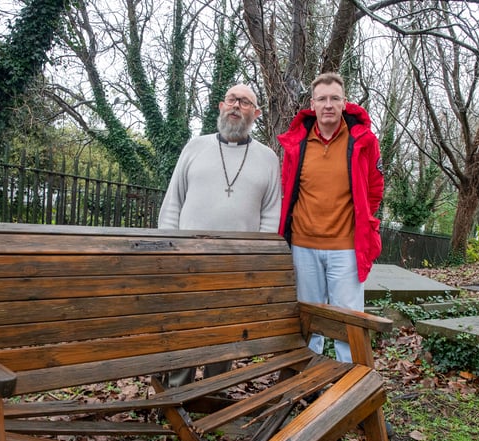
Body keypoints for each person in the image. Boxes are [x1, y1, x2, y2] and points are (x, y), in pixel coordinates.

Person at [158, 83, 281, 387]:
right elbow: (173, 201)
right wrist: (167, 251)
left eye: (245, 102)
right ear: (221, 106)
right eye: (232, 100)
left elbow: (270, 215)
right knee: (183, 329)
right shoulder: (195, 147)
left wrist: (257, 261)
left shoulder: (268, 159)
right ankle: (177, 392)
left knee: (225, 332)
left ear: (257, 113)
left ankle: (215, 392)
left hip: (236, 267)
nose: (237, 106)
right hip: (188, 260)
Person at [278, 72, 384, 363]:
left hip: (346, 249)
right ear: (312, 105)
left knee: (347, 324)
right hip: (303, 246)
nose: (328, 105)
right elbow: (288, 188)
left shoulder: (363, 141)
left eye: (334, 98)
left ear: (344, 103)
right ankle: (305, 384)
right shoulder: (297, 143)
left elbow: (375, 188)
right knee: (307, 322)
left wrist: (363, 220)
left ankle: (348, 391)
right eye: (322, 99)